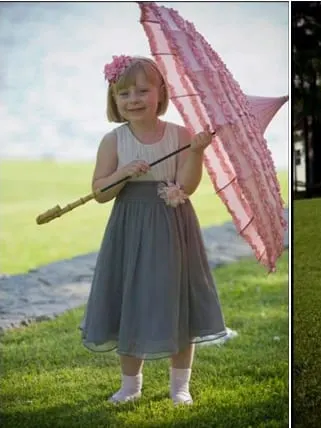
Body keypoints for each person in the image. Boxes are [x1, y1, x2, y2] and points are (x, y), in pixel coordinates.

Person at [79, 55, 228, 404]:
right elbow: (100, 192)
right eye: (124, 93)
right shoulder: (113, 141)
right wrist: (122, 173)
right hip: (129, 226)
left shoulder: (180, 135)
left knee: (177, 298)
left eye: (142, 91)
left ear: (161, 93)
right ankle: (130, 385)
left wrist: (196, 153)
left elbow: (187, 187)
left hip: (171, 225)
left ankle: (180, 386)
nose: (133, 99)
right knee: (130, 298)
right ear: (114, 99)